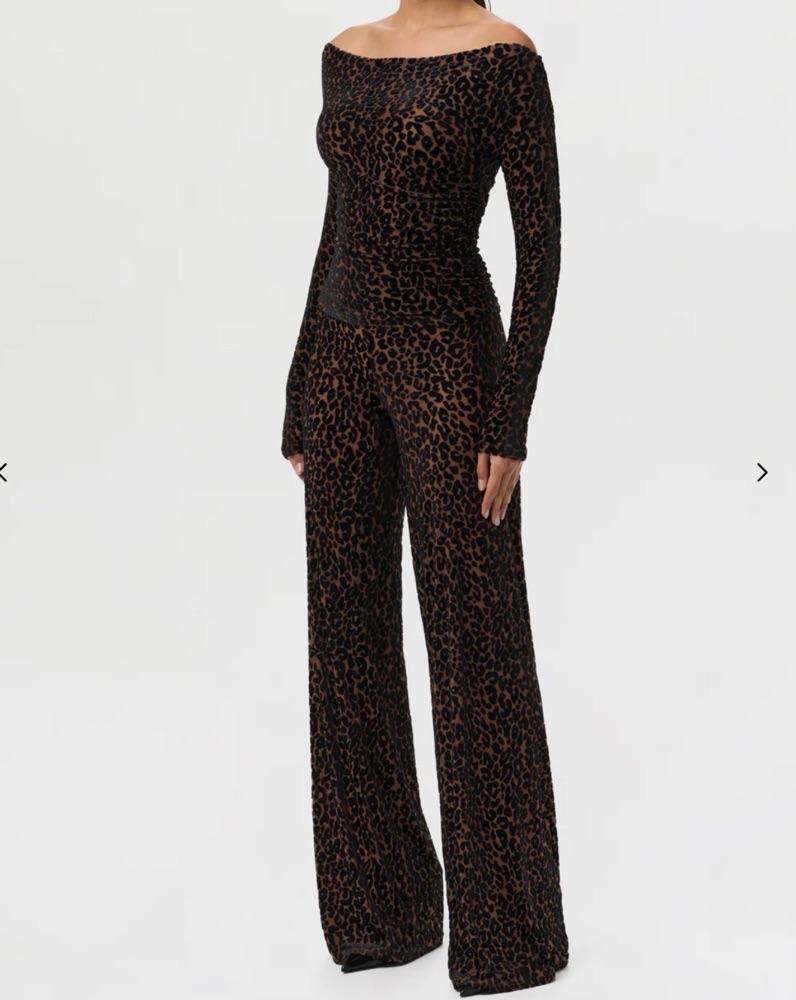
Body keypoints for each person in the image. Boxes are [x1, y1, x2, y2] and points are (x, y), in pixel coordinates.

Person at [280, 2, 569, 995]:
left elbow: (542, 245)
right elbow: (339, 222)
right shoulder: (345, 52)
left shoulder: (504, 59)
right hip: (340, 360)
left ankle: (510, 932)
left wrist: (510, 417)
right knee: (345, 637)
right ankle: (381, 912)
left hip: (448, 356)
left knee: (474, 633)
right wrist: (300, 384)